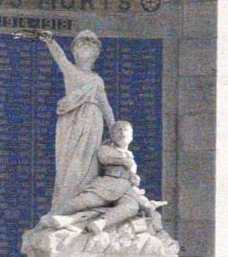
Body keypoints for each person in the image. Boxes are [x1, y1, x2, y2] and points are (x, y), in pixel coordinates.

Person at [23, 28, 115, 214]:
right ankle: (67, 203)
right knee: (69, 163)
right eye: (81, 47)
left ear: (96, 54)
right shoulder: (70, 71)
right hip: (71, 121)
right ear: (74, 51)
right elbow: (59, 57)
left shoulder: (97, 80)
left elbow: (105, 105)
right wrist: (50, 41)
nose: (84, 52)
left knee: (88, 163)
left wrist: (114, 128)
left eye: (89, 48)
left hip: (92, 121)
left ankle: (83, 204)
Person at [39, 120, 169, 237]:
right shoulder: (106, 149)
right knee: (83, 202)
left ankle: (100, 223)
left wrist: (143, 197)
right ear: (112, 135)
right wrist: (124, 162)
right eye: (118, 130)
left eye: (126, 129)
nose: (122, 132)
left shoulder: (130, 155)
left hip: (125, 189)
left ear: (131, 136)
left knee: (131, 207)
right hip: (108, 185)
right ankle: (49, 217)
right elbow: (104, 157)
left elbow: (131, 179)